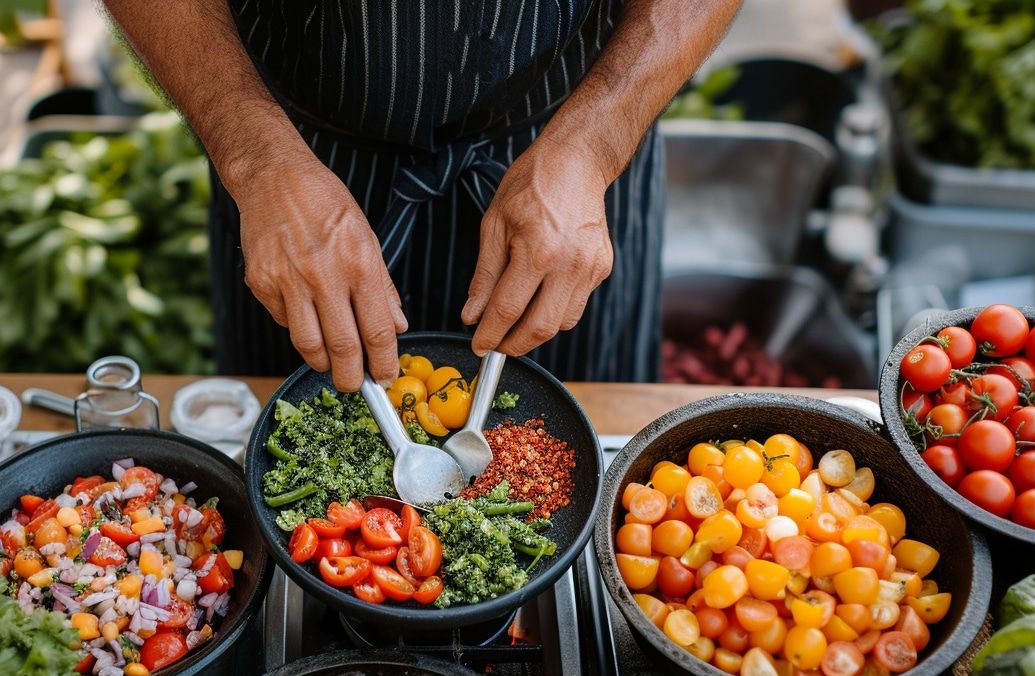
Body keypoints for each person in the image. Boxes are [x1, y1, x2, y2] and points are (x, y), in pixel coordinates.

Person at [105, 0, 741, 389]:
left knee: (576, 454)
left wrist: (594, 145)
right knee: (294, 445)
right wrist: (255, 159)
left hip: (574, 150)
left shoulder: (587, 147)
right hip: (295, 161)